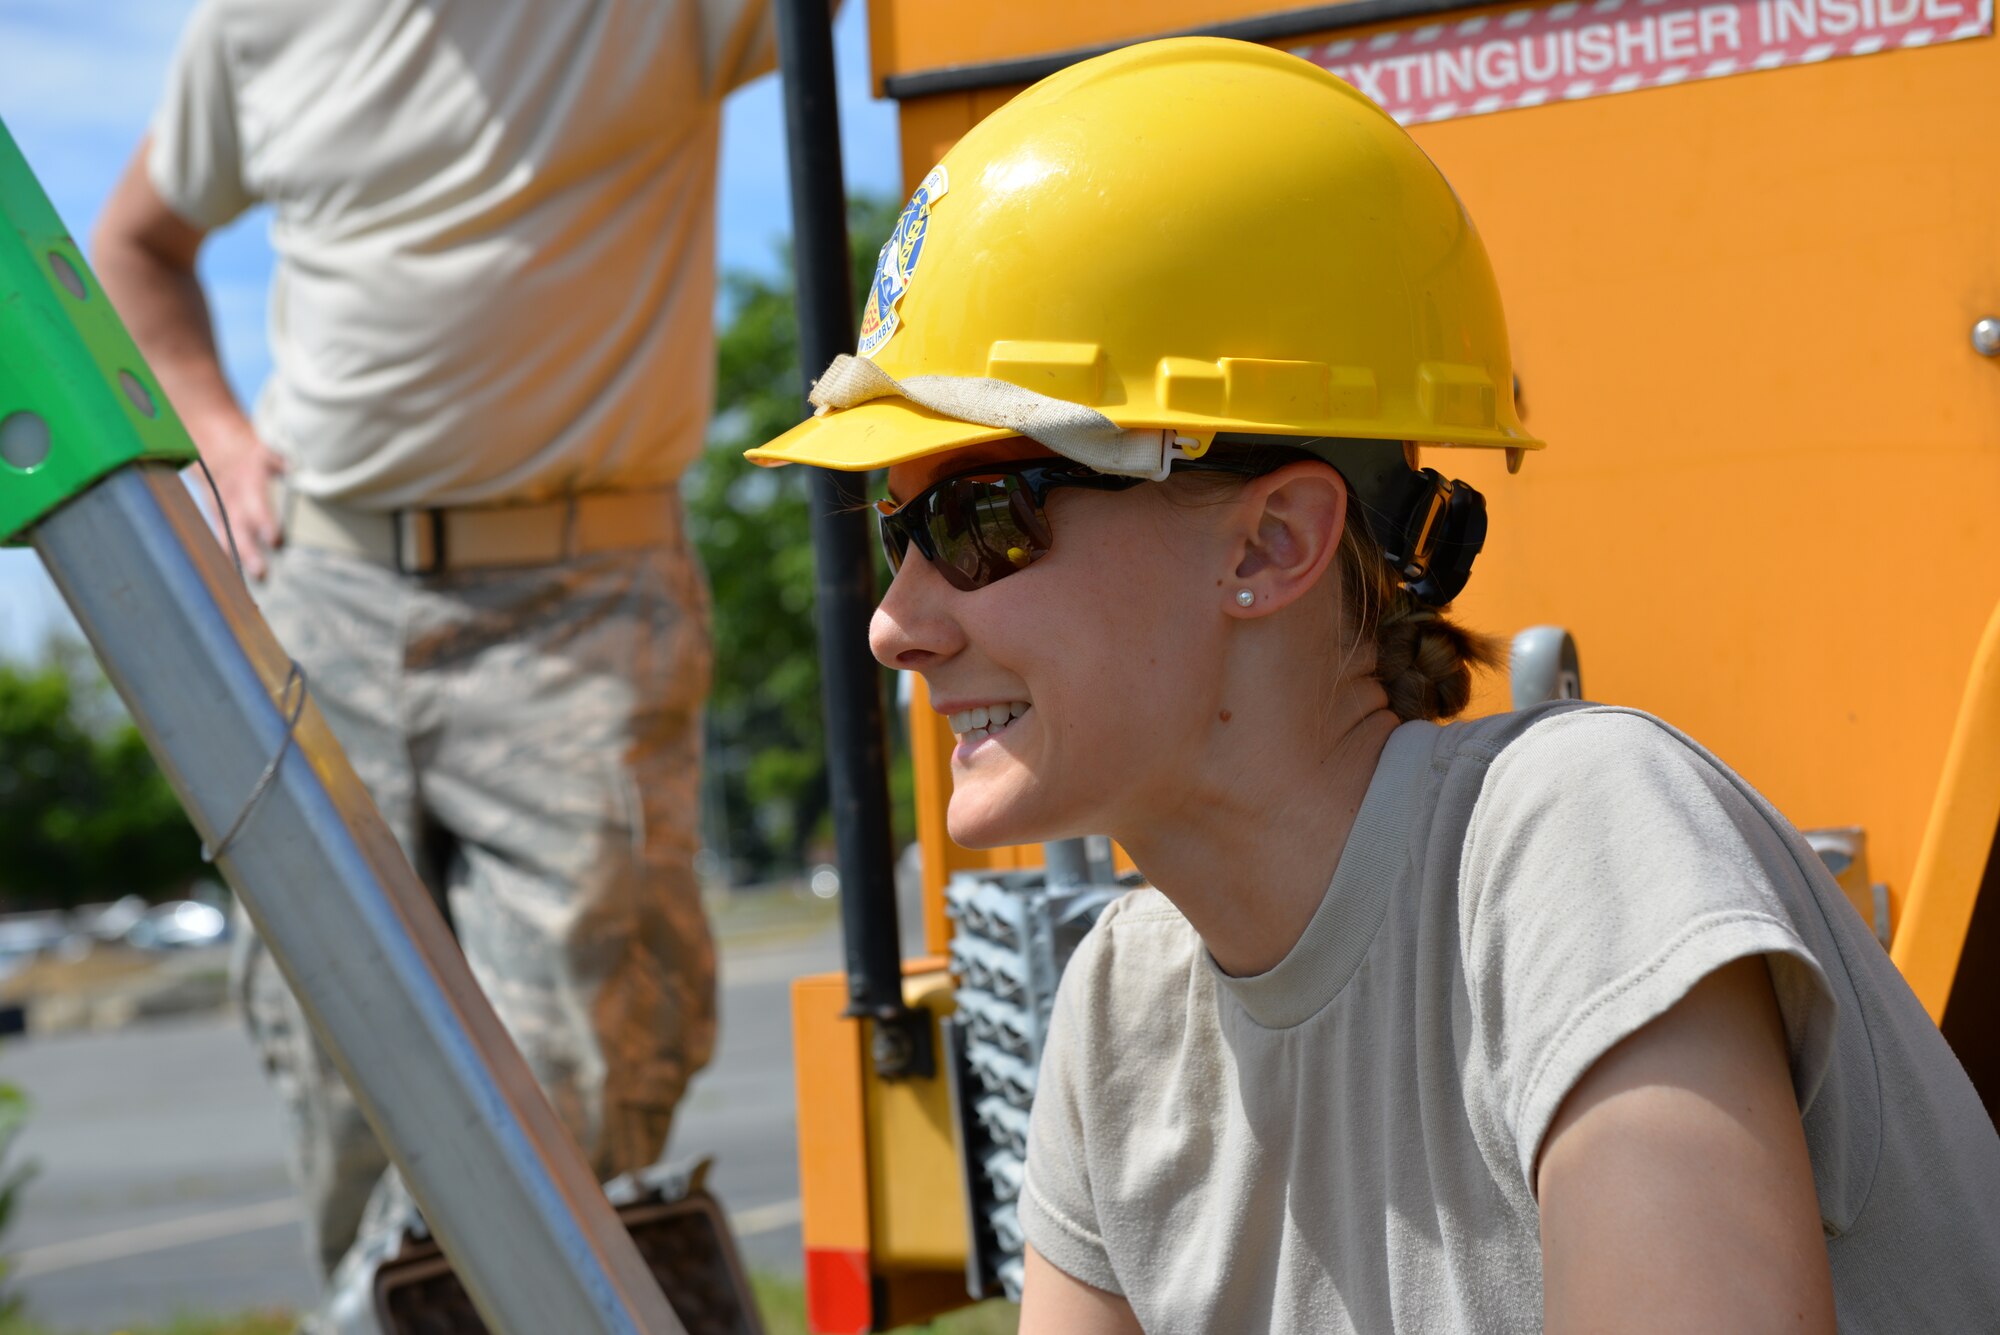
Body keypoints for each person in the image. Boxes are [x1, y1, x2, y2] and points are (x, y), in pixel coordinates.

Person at [747, 36, 2000, 1333]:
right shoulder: (1118, 1014)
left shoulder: (1582, 839)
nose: (897, 624)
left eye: (978, 518)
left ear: (1271, 543)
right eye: (897, 536)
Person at [91, 0, 774, 1286]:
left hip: (581, 597)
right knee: (332, 1042)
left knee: (584, 1061)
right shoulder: (257, 25)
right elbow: (136, 244)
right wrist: (225, 444)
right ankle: (385, 1309)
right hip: (326, 586)